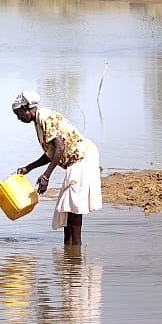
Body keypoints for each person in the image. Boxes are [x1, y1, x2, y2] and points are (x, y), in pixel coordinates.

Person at [11, 91, 102, 246]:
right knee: (66, 208)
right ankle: (69, 250)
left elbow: (59, 148)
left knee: (73, 206)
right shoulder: (38, 122)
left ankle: (75, 252)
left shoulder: (45, 117)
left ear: (28, 108)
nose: (18, 118)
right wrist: (29, 168)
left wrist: (46, 176)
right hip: (75, 161)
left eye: (19, 113)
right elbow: (51, 153)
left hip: (83, 157)